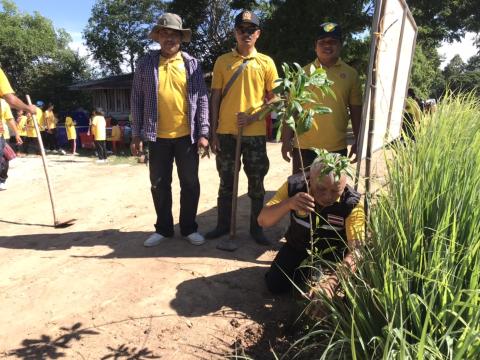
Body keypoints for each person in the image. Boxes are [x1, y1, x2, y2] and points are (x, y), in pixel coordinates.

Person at [131, 13, 210, 247]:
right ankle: (164, 229)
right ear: (157, 37)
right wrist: (136, 133)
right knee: (159, 184)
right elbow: (136, 98)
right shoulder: (145, 63)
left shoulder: (192, 64)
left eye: (174, 34)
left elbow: (203, 99)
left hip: (187, 136)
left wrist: (204, 132)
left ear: (180, 37)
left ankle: (188, 228)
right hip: (156, 137)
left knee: (190, 183)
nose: (169, 38)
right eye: (164, 33)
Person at [207, 10, 279, 251]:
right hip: (227, 134)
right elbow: (215, 97)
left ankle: (256, 228)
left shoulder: (266, 62)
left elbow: (275, 98)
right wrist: (214, 131)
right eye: (241, 30)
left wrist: (253, 117)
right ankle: (222, 226)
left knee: (256, 184)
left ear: (257, 34)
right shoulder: (222, 61)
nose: (246, 34)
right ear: (235, 33)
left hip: (255, 134)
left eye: (251, 30)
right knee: (226, 181)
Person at [259, 153, 365, 301]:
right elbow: (263, 220)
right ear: (310, 178)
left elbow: (357, 251)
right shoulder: (294, 186)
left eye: (335, 191)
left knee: (354, 296)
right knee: (275, 285)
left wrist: (331, 283)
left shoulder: (352, 203)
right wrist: (288, 203)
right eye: (321, 189)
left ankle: (322, 276)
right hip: (299, 246)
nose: (328, 196)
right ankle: (308, 273)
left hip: (335, 256)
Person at [281, 22, 363, 174]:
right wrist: (286, 141)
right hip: (304, 148)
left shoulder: (351, 75)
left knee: (332, 195)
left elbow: (357, 111)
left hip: (336, 149)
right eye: (322, 42)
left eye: (332, 42)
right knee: (302, 194)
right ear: (315, 46)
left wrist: (359, 141)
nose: (327, 45)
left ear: (340, 44)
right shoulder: (302, 74)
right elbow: (291, 110)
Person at [0, 98, 23, 190]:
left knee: (5, 158)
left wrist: (17, 133)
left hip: (3, 135)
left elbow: (10, 119)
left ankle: (2, 180)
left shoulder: (3, 102)